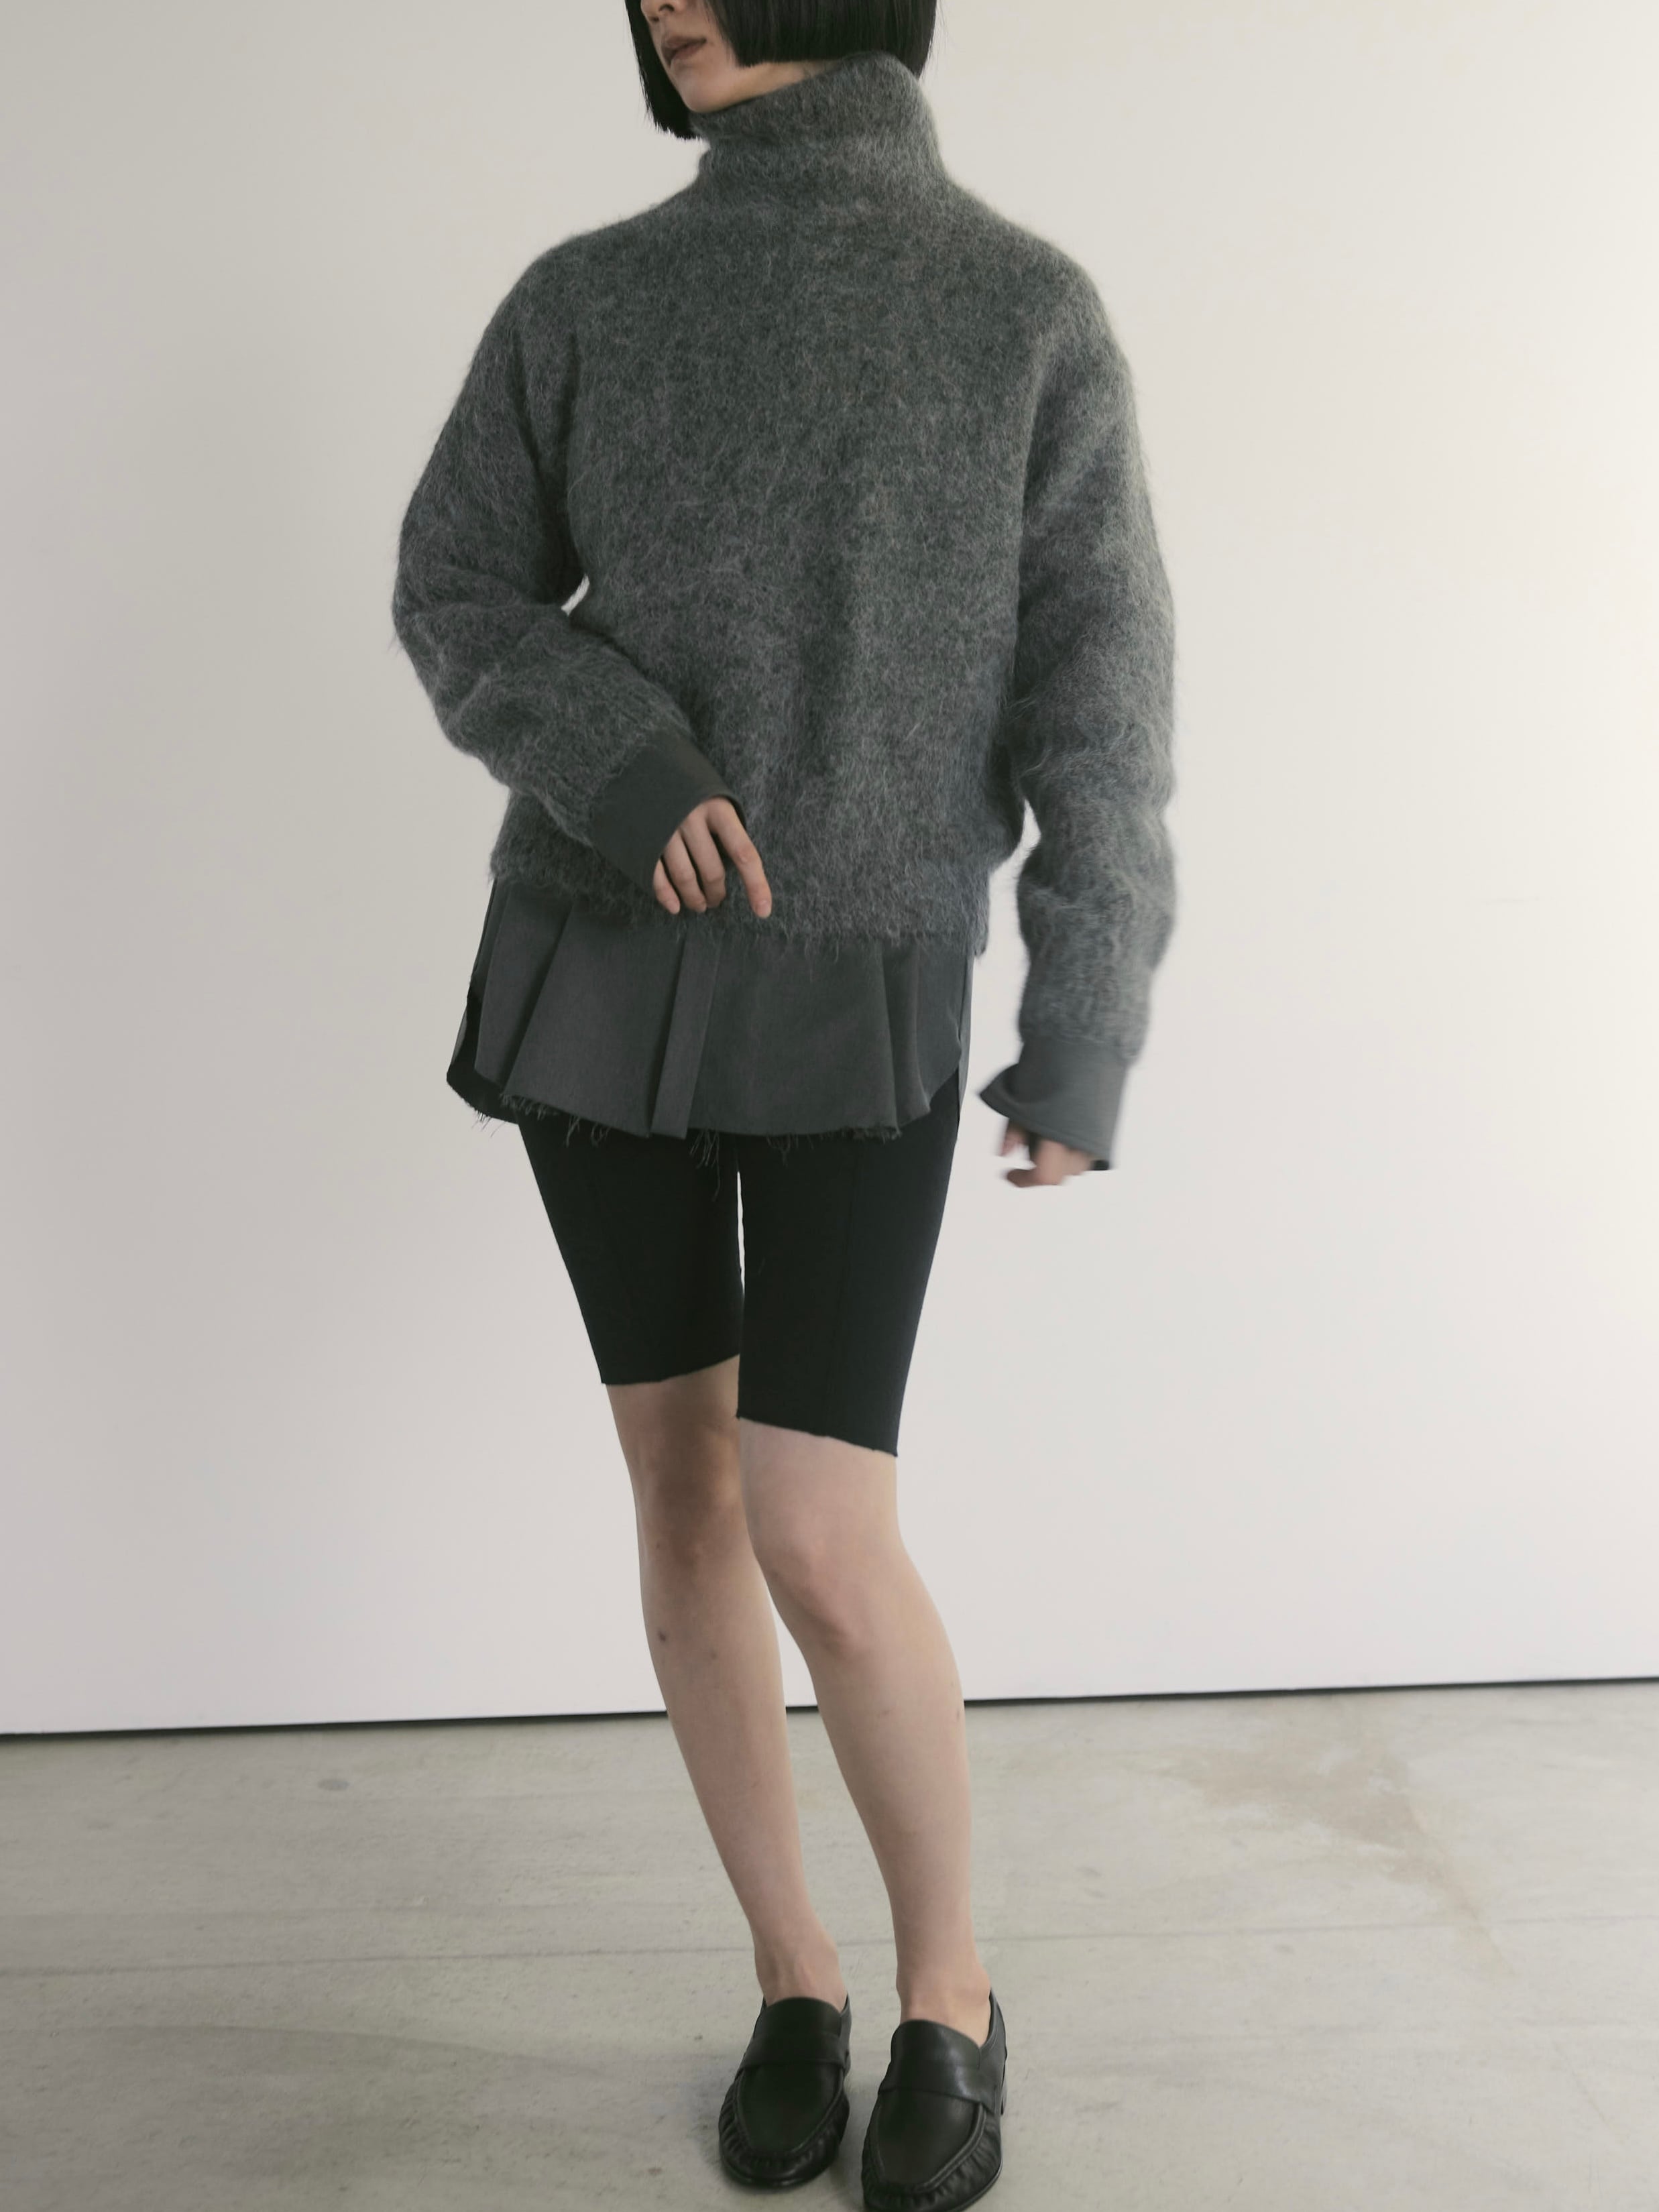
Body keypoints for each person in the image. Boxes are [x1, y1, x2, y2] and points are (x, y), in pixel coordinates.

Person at [390, 2, 1177, 2202]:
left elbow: (1100, 698)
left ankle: (950, 1987)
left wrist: (1084, 1014)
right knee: (681, 1503)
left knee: (818, 1531)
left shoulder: (1019, 308)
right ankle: (795, 1973)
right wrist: (623, 763)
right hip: (596, 976)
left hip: (859, 995)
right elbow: (453, 585)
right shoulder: (587, 296)